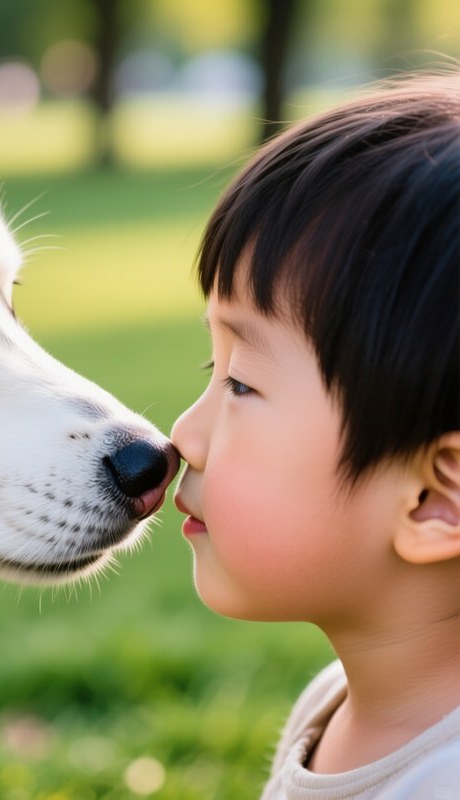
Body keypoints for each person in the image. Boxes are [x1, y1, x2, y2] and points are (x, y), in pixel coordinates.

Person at [170, 70, 460, 799]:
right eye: (216, 367)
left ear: (435, 498)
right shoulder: (332, 702)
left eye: (241, 384)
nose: (182, 434)